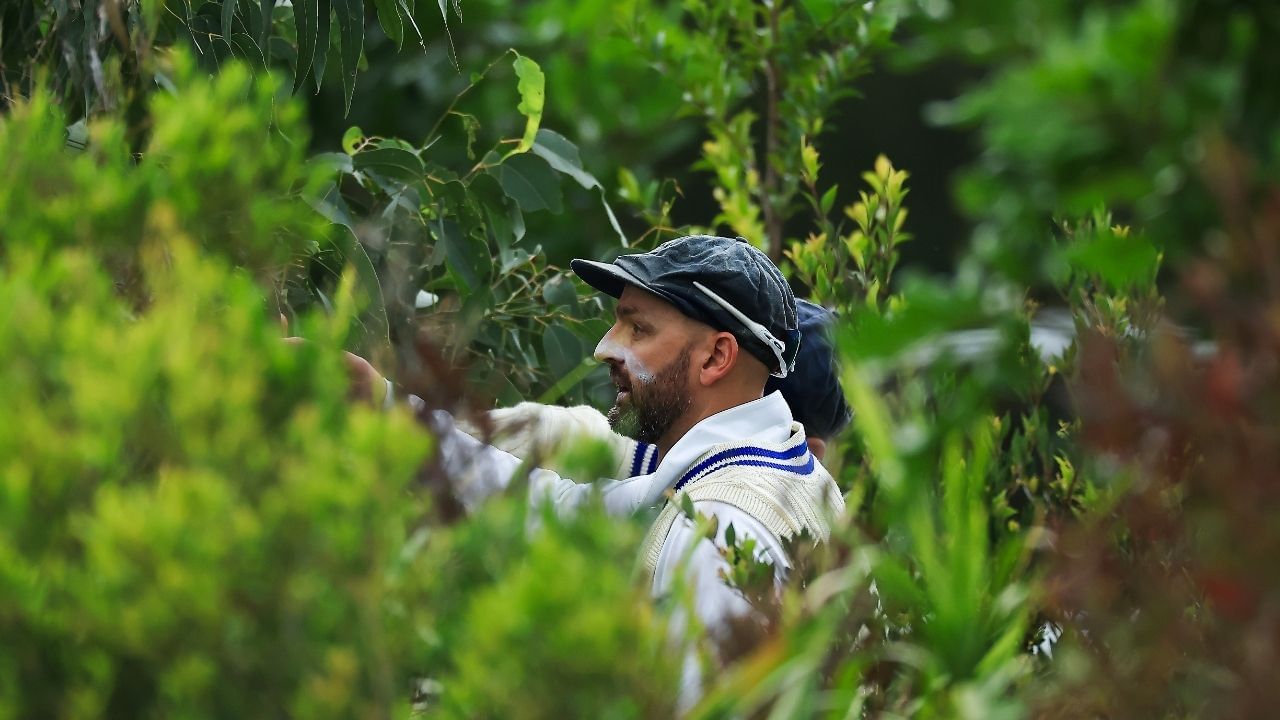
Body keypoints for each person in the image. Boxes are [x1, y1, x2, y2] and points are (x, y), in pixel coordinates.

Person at [467, 298, 851, 480]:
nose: (604, 350)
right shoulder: (830, 572)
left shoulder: (563, 442)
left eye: (640, 330)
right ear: (814, 454)